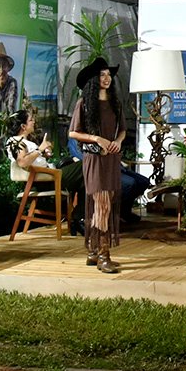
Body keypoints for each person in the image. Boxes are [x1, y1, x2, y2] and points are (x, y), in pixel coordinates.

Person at [66, 58, 127, 274]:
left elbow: (122, 130)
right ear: (94, 79)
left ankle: (93, 251)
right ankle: (103, 254)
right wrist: (97, 138)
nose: (107, 78)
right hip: (94, 159)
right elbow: (73, 133)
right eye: (102, 75)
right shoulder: (84, 103)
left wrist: (117, 142)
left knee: (105, 204)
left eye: (109, 75)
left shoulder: (115, 103)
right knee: (102, 205)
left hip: (111, 159)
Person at [7, 110, 84, 223]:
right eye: (31, 120)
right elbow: (22, 162)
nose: (34, 122)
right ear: (23, 126)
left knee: (82, 174)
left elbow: (32, 160)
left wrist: (44, 154)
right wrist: (40, 149)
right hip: (47, 180)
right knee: (85, 166)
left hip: (48, 176)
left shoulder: (24, 141)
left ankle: (78, 216)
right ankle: (78, 217)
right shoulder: (16, 142)